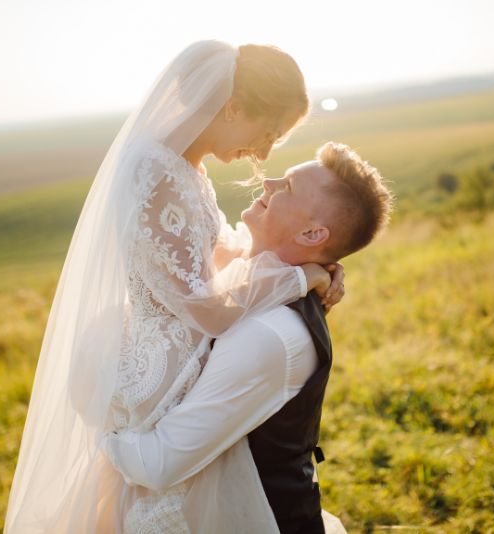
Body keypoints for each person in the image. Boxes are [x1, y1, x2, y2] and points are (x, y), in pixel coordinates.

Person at [4, 41, 345, 533]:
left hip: (181, 360)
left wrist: (321, 261)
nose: (265, 154)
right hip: (161, 375)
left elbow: (224, 249)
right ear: (233, 108)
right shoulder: (153, 170)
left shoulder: (186, 168)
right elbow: (206, 309)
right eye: (268, 133)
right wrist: (297, 278)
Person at [102, 142, 394, 533]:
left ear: (311, 232)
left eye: (287, 187)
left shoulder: (269, 334)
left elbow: (160, 463)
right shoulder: (239, 290)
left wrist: (96, 438)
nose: (269, 180)